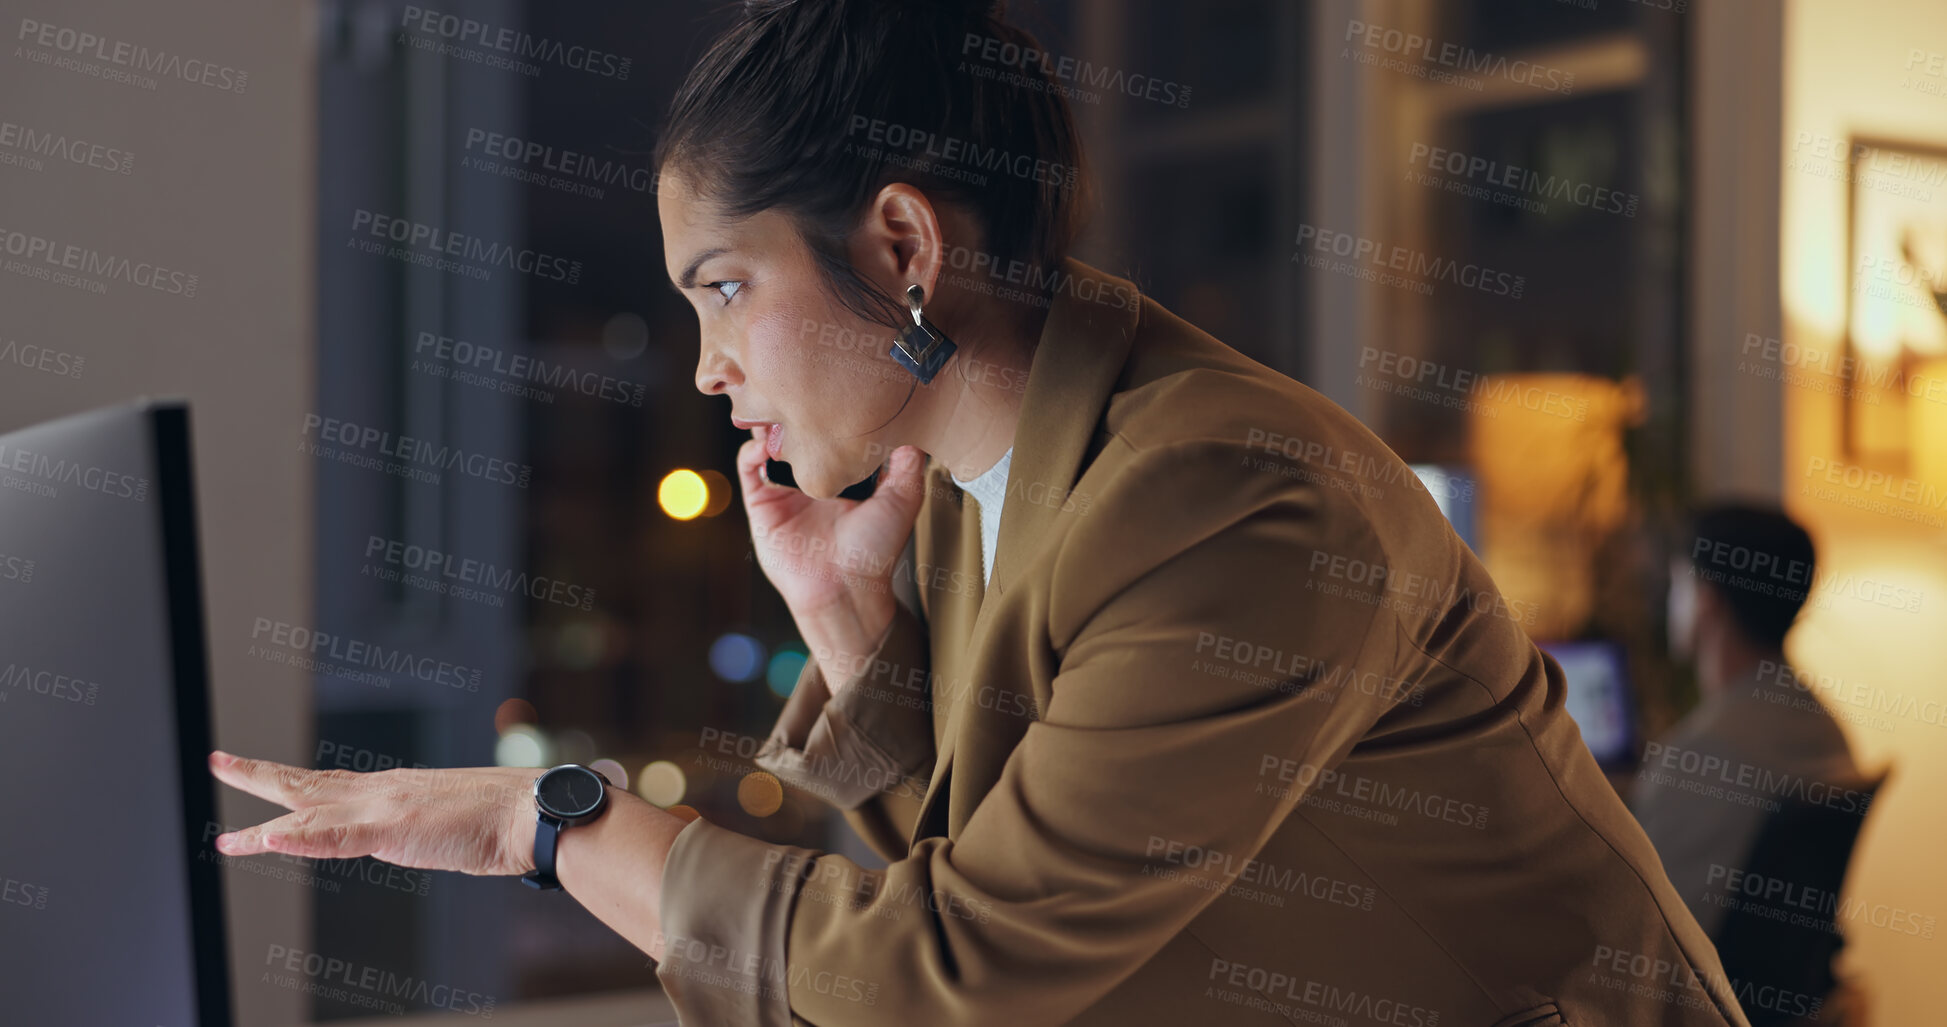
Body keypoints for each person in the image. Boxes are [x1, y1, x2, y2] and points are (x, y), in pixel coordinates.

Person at [210, 1, 1751, 1024]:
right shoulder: (964, 481)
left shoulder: (1227, 496)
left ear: (898, 246)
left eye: (725, 289)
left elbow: (951, 974)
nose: (705, 366)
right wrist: (856, 636)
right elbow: (997, 874)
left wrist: (541, 823)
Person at [1632, 503, 1867, 1021]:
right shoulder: (1827, 728)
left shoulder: (1705, 753)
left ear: (1706, 601)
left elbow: (1638, 928)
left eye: (1679, 582)